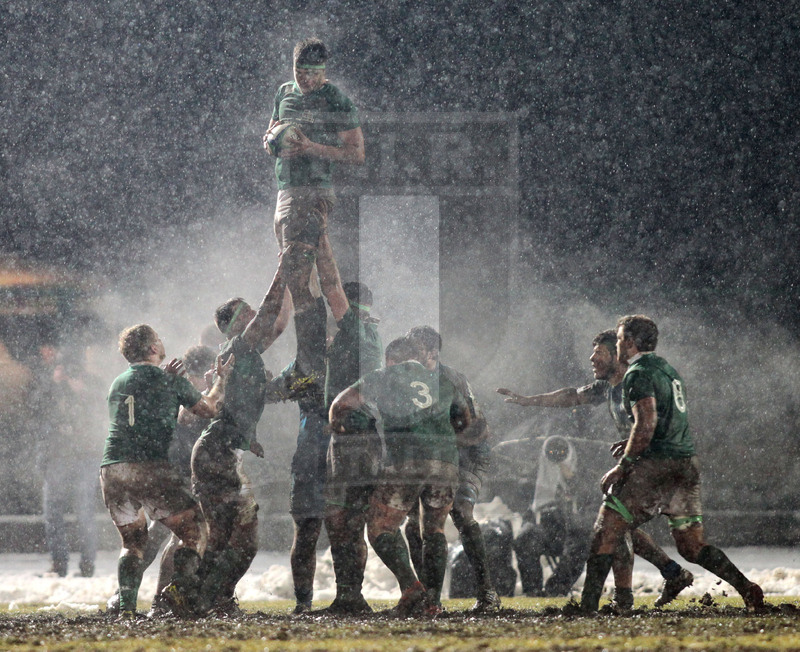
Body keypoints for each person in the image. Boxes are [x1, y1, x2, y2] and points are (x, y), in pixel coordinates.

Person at [576, 315, 765, 613]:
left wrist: (623, 465)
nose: (620, 342)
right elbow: (667, 420)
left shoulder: (637, 374)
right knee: (692, 546)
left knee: (606, 527)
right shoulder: (668, 370)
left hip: (656, 466)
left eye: (622, 337)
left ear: (633, 342)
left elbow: (646, 423)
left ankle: (586, 608)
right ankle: (747, 588)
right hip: (686, 466)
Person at [497, 329, 693, 611]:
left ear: (617, 355)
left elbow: (656, 421)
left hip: (656, 465)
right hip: (638, 463)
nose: (592, 359)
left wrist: (634, 454)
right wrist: (529, 400)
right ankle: (666, 577)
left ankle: (603, 601)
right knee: (619, 527)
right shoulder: (608, 387)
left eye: (599, 353)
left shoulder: (636, 382)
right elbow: (571, 396)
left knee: (611, 526)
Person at [330, 336, 472, 616]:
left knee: (381, 528)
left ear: (392, 359)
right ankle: (432, 603)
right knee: (434, 530)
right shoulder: (441, 380)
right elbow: (465, 419)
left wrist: (340, 428)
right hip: (446, 463)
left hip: (406, 459)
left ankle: (411, 588)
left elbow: (341, 404)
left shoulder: (383, 376)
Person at [101, 324, 233, 616]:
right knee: (194, 530)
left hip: (112, 467)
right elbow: (210, 408)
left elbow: (138, 410)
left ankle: (125, 609)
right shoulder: (171, 382)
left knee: (133, 543)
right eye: (158, 340)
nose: (162, 344)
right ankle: (177, 594)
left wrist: (165, 382)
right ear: (151, 349)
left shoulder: (118, 383)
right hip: (151, 467)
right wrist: (221, 380)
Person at [190, 257, 290, 615]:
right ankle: (209, 597)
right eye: (246, 311)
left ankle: (204, 598)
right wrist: (284, 268)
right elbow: (269, 313)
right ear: (235, 323)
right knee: (245, 537)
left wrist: (292, 282)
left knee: (220, 535)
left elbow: (278, 323)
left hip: (217, 451)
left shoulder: (245, 352)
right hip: (217, 452)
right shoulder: (239, 347)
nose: (253, 314)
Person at [263, 37, 365, 318]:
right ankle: (344, 334)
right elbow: (271, 132)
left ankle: (313, 345)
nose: (306, 79)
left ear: (324, 69)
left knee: (296, 275)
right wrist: (270, 142)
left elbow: (356, 153)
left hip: (313, 191)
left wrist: (311, 148)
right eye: (300, 71)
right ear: (293, 66)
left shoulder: (336, 100)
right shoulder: (284, 93)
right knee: (318, 273)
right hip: (286, 192)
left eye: (314, 73)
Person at [404, 325, 502, 613]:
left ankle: (487, 593)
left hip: (468, 454)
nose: (410, 355)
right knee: (414, 523)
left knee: (459, 511)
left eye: (416, 349)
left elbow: (478, 429)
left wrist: (442, 442)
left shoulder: (451, 380)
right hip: (432, 456)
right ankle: (427, 596)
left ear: (432, 352)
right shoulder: (405, 379)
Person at [316, 233, 383, 615]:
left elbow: (330, 285)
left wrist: (321, 240)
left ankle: (351, 597)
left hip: (352, 437)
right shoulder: (365, 332)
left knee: (343, 518)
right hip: (359, 436)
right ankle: (350, 596)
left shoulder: (355, 324)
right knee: (349, 519)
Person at [42, 349, 104, 579]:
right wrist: (54, 385)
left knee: (84, 510)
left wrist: (83, 392)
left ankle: (87, 565)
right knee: (52, 511)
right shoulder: (51, 387)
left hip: (85, 456)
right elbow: (36, 409)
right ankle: (58, 563)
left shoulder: (92, 385)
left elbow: (102, 413)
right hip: (57, 456)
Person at [512, 436, 593, 597]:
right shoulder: (535, 472)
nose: (557, 455)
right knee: (524, 539)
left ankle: (556, 589)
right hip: (545, 525)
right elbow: (525, 501)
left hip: (573, 527)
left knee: (581, 544)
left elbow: (589, 498)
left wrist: (570, 478)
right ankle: (533, 590)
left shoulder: (582, 470)